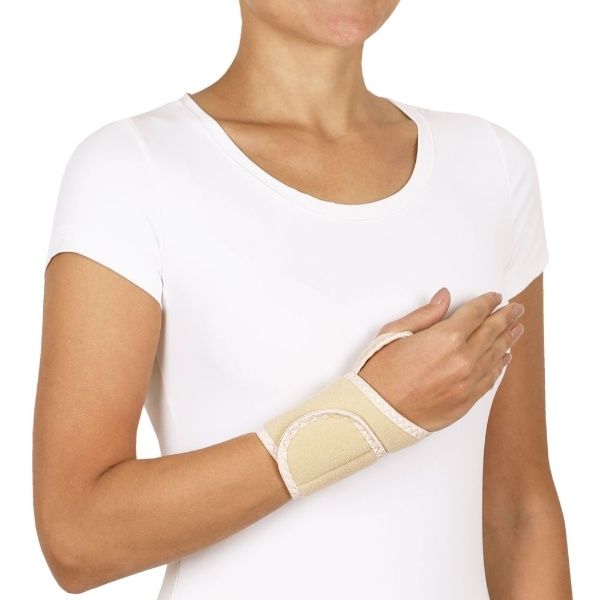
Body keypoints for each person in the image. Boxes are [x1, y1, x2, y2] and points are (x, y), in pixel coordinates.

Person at [33, 1, 572, 598]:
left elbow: (518, 511)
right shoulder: (133, 169)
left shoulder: (492, 165)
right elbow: (77, 539)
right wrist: (371, 414)